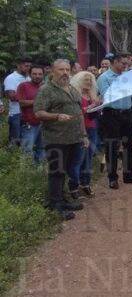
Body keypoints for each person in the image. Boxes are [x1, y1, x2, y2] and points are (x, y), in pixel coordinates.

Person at [33, 59, 86, 220]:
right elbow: (39, 113)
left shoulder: (71, 88)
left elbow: (78, 112)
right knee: (56, 172)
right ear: (52, 71)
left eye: (67, 69)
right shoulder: (46, 90)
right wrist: (56, 116)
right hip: (56, 139)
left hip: (74, 138)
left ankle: (62, 200)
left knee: (65, 171)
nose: (65, 72)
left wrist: (84, 135)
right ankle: (55, 205)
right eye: (61, 69)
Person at [97, 53, 132, 188]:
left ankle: (129, 175)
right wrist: (125, 86)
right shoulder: (104, 78)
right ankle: (112, 178)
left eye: (127, 64)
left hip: (128, 113)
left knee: (130, 145)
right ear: (115, 62)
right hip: (111, 114)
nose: (125, 66)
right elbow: (108, 95)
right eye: (123, 63)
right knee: (112, 146)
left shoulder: (127, 76)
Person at [70, 71, 101, 197]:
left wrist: (97, 105)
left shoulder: (92, 94)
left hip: (91, 128)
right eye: (85, 80)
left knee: (88, 157)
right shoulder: (74, 94)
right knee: (78, 159)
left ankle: (85, 184)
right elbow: (73, 112)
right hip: (79, 129)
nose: (88, 82)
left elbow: (95, 114)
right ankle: (73, 186)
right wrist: (86, 109)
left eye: (90, 80)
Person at [18, 65, 44, 162]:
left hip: (43, 123)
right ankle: (26, 174)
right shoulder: (23, 86)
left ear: (43, 75)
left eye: (40, 74)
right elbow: (21, 102)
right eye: (34, 74)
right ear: (30, 74)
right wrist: (38, 101)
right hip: (29, 124)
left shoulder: (44, 87)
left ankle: (39, 172)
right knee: (27, 150)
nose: (37, 76)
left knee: (41, 149)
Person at [4, 58, 31, 146]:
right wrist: (29, 97)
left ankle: (23, 158)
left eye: (29, 66)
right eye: (26, 66)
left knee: (26, 140)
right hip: (16, 113)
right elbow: (11, 96)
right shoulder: (11, 78)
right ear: (19, 65)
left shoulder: (28, 78)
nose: (28, 68)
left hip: (28, 113)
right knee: (15, 140)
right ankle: (11, 158)